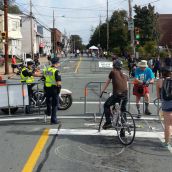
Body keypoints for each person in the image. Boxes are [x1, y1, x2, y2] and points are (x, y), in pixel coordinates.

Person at [100, 59, 128, 132]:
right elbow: (126, 86)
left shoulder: (113, 72)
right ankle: (123, 131)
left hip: (117, 95)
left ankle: (108, 122)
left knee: (106, 105)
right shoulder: (125, 74)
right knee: (123, 110)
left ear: (114, 66)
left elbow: (107, 82)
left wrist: (102, 91)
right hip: (125, 95)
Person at [156, 66, 172, 148]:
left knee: (168, 125)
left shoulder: (159, 81)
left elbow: (158, 96)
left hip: (166, 105)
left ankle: (166, 142)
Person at [43, 57, 61, 124]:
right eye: (58, 62)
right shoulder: (56, 71)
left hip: (47, 88)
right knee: (55, 105)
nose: (59, 63)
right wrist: (59, 89)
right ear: (56, 63)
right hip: (54, 89)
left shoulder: (48, 70)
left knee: (48, 102)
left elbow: (44, 77)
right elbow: (58, 82)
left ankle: (48, 112)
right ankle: (53, 119)